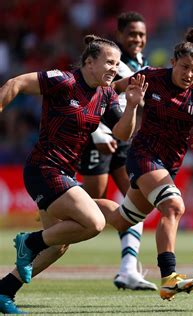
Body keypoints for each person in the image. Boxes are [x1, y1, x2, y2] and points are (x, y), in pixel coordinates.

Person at [0, 35, 148, 314]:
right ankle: (28, 241)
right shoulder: (63, 80)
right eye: (109, 62)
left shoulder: (105, 95)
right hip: (44, 168)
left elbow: (122, 134)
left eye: (117, 64)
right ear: (89, 63)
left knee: (58, 246)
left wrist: (132, 106)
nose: (114, 68)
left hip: (63, 172)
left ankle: (5, 289)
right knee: (92, 223)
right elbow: (15, 83)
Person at [102, 27, 193, 301]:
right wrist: (112, 117)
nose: (189, 75)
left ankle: (69, 205)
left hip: (168, 166)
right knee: (174, 205)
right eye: (184, 67)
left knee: (122, 219)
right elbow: (110, 91)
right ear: (173, 62)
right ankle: (169, 277)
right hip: (142, 155)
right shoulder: (150, 78)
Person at [77, 11, 156, 291]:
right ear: (120, 35)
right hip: (99, 138)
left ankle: (127, 270)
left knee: (136, 201)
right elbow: (94, 94)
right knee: (87, 205)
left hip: (124, 141)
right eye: (133, 33)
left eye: (142, 34)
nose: (138, 39)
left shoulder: (140, 63)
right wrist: (98, 133)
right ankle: (50, 213)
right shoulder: (111, 61)